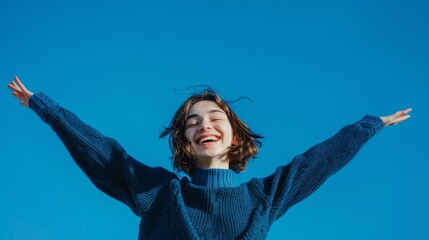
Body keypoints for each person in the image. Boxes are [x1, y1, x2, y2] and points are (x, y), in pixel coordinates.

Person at [8, 76, 411, 239]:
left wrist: (367, 127)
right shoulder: (160, 194)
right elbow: (104, 154)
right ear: (184, 139)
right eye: (193, 122)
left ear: (234, 135)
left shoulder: (261, 199)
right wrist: (44, 107)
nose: (205, 125)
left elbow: (317, 160)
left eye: (216, 118)